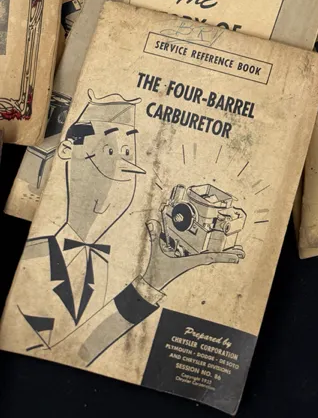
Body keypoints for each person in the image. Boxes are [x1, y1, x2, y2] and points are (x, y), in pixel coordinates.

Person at [9, 90, 244, 368]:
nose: (125, 167)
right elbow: (62, 352)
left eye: (128, 152)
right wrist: (149, 284)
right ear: (68, 151)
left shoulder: (110, 265)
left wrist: (154, 278)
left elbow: (86, 350)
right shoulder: (32, 260)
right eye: (109, 151)